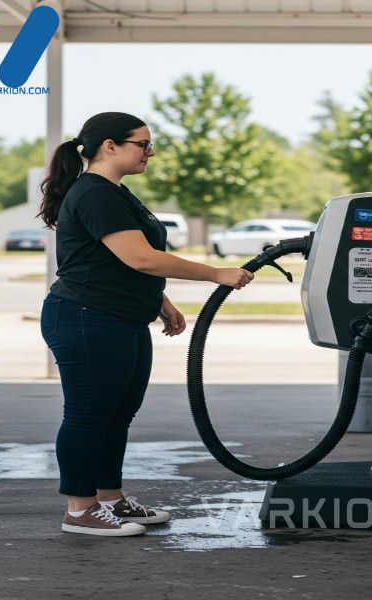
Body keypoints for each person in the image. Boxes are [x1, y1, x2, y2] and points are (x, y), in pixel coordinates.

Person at [38, 112, 254, 537]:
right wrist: (216, 273)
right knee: (88, 414)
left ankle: (110, 500)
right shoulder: (95, 194)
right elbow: (140, 257)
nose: (150, 152)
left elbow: (117, 261)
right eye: (143, 144)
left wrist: (160, 301)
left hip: (119, 317)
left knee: (117, 415)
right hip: (87, 317)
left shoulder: (115, 192)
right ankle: (80, 511)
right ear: (110, 146)